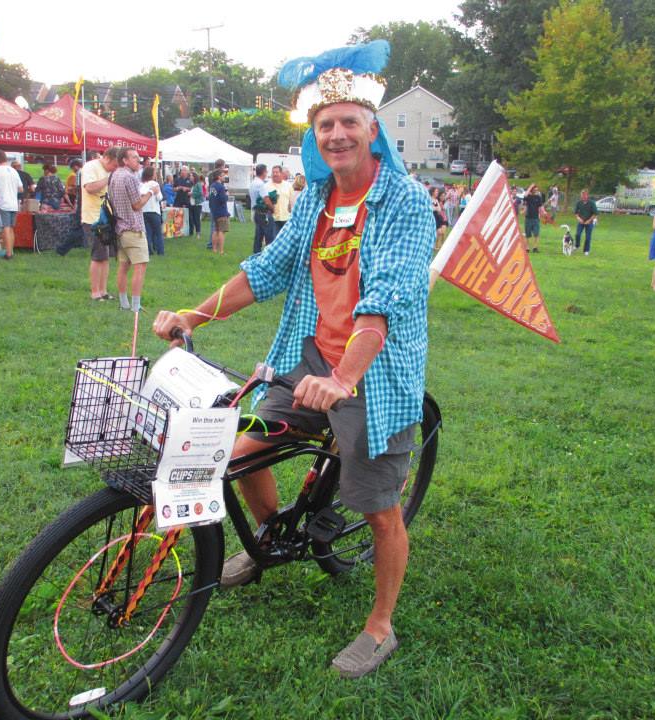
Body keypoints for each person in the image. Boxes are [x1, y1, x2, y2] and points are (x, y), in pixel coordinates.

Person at [153, 40, 433, 679]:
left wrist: (343, 379)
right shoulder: (313, 201)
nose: (337, 135)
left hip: (371, 374)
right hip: (303, 355)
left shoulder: (406, 202)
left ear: (372, 130)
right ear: (317, 134)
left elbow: (384, 299)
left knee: (379, 508)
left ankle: (381, 626)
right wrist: (194, 315)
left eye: (349, 124)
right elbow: (266, 270)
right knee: (240, 446)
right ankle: (273, 535)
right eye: (325, 125)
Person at [110, 148, 157, 312]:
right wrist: (151, 192)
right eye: (134, 157)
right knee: (140, 267)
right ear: (125, 160)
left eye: (138, 157)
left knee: (123, 267)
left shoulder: (115, 175)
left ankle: (124, 303)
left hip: (120, 228)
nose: (138, 160)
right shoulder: (129, 177)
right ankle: (135, 306)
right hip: (133, 228)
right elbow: (137, 204)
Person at [81, 146, 121, 300]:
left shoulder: (110, 171)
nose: (115, 169)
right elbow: (90, 188)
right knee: (98, 256)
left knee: (106, 257)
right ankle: (95, 292)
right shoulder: (90, 167)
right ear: (107, 158)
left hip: (107, 218)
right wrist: (108, 179)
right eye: (114, 165)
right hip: (93, 218)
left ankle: (103, 291)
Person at [0, 150, 23, 260]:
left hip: (3, 203)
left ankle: (8, 253)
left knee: (5, 228)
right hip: (13, 203)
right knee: (11, 228)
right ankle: (11, 251)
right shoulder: (14, 171)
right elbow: (21, 188)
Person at [249, 163, 274, 253]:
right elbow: (266, 200)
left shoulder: (253, 182)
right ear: (264, 172)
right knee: (269, 236)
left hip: (256, 212)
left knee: (258, 236)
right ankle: (268, 256)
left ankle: (256, 254)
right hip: (263, 213)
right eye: (266, 171)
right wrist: (273, 208)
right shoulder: (261, 184)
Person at [140, 165, 164, 256]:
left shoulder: (141, 184)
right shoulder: (155, 184)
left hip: (144, 211)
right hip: (154, 211)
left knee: (148, 232)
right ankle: (160, 251)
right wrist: (156, 192)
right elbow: (159, 198)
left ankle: (149, 251)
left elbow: (141, 193)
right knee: (158, 232)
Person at [266, 165, 293, 236]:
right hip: (273, 218)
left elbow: (292, 201)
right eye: (273, 172)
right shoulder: (266, 186)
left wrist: (291, 211)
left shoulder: (288, 185)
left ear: (281, 173)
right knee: (273, 240)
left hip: (286, 218)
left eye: (277, 172)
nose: (275, 174)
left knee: (286, 240)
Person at [208, 168, 230, 254]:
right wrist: (227, 195)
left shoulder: (212, 186)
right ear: (219, 177)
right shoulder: (221, 187)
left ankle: (214, 249)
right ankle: (221, 251)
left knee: (215, 230)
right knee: (222, 231)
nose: (224, 177)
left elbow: (211, 198)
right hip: (221, 211)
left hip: (214, 211)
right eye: (223, 175)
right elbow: (222, 199)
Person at [574, 189, 598, 255]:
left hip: (589, 222)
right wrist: (578, 218)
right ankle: (577, 245)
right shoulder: (579, 203)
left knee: (588, 237)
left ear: (587, 195)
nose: (583, 197)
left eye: (584, 195)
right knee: (577, 234)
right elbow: (576, 213)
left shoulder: (592, 203)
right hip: (581, 222)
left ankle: (586, 250)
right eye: (582, 195)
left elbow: (595, 214)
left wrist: (589, 220)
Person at [523, 184, 544, 253]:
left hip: (536, 218)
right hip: (528, 218)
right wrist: (530, 186)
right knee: (527, 234)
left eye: (537, 189)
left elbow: (540, 206)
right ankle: (527, 248)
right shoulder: (528, 197)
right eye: (534, 189)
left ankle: (535, 248)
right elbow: (525, 195)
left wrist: (543, 212)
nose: (536, 190)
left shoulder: (538, 197)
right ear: (532, 190)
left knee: (536, 234)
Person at [189, 171, 204, 237]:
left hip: (197, 204)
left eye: (191, 176)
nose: (190, 177)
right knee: (192, 218)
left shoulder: (198, 184)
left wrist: (192, 194)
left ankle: (198, 233)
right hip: (192, 203)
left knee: (196, 219)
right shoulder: (193, 184)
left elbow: (200, 193)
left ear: (194, 177)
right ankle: (193, 232)